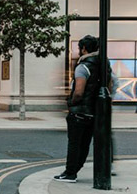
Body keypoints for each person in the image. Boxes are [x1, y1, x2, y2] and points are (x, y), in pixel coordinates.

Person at [53, 35, 103, 183]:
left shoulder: (83, 66)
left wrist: (71, 103)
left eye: (79, 48)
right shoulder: (102, 65)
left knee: (74, 144)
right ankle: (74, 170)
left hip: (80, 112)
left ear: (84, 48)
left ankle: (70, 173)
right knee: (85, 144)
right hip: (93, 112)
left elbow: (79, 91)